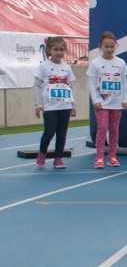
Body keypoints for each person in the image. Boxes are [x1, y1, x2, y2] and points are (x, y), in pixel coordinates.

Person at [87, 31, 127, 168]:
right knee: (102, 128)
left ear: (115, 46)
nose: (109, 50)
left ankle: (112, 156)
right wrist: (95, 101)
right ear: (100, 47)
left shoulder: (121, 63)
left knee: (114, 129)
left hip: (116, 102)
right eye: (107, 47)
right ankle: (99, 157)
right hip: (101, 103)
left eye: (112, 47)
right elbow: (92, 84)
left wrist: (125, 99)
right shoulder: (95, 63)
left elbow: (124, 83)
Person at [34, 36, 77, 169]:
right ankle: (42, 153)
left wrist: (73, 104)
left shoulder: (67, 68)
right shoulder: (43, 66)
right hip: (50, 106)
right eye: (55, 49)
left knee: (62, 132)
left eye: (61, 49)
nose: (59, 52)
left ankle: (58, 158)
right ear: (49, 50)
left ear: (65, 51)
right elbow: (37, 85)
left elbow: (71, 86)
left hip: (64, 105)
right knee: (49, 132)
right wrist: (37, 104)